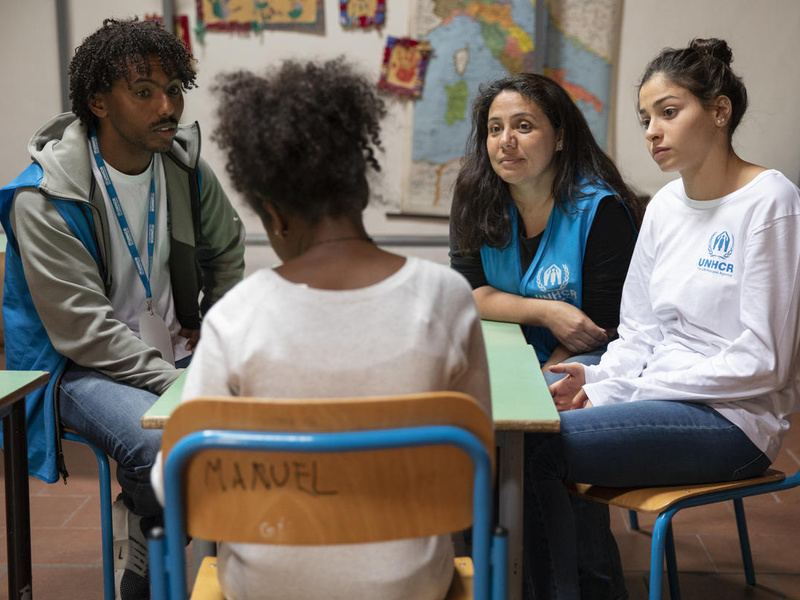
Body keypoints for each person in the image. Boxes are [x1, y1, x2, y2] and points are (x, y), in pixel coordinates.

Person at [151, 58, 492, 600]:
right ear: (360, 191)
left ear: (275, 216)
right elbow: (477, 459)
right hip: (410, 584)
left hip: (265, 587)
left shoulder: (236, 315)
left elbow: (176, 484)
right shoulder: (445, 297)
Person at [529, 38, 800, 600]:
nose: (652, 130)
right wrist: (604, 378)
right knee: (521, 419)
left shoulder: (772, 203)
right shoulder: (665, 207)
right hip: (660, 396)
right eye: (645, 117)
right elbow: (642, 332)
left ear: (720, 112)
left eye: (669, 113)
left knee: (535, 448)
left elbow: (765, 363)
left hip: (734, 420)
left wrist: (629, 390)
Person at [0, 18, 245, 600]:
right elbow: (85, 333)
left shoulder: (183, 167)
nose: (167, 107)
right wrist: (180, 388)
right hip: (75, 365)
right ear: (98, 103)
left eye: (174, 90)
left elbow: (227, 251)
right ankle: (148, 549)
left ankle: (150, 513)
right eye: (144, 92)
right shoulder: (44, 197)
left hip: (175, 347)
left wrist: (217, 331)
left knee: (274, 404)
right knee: (159, 442)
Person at [449, 73, 643, 383]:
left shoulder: (603, 210)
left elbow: (601, 325)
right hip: (503, 343)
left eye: (523, 126)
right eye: (495, 129)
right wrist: (546, 312)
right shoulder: (473, 195)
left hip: (584, 354)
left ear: (560, 138)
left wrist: (540, 378)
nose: (506, 141)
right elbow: (468, 291)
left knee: (543, 399)